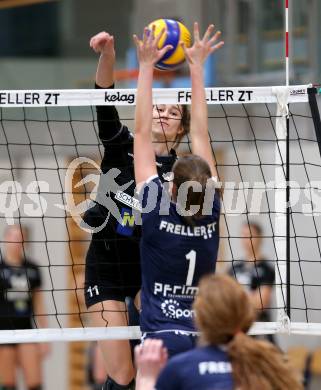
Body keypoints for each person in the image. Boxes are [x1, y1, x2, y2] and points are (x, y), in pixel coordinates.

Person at [86, 29, 191, 389]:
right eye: (158, 108)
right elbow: (103, 99)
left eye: (173, 111)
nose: (163, 114)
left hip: (149, 274)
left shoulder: (182, 176)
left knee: (156, 364)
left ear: (181, 127)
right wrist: (109, 55)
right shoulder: (122, 147)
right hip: (107, 267)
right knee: (122, 373)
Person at [133, 22, 223, 358]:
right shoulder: (210, 209)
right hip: (203, 340)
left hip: (160, 339)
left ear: (173, 191)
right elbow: (200, 134)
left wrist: (145, 68)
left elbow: (141, 133)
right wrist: (197, 69)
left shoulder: (157, 207)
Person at [134, 274, 303, 390]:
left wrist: (148, 379)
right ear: (246, 314)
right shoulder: (272, 364)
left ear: (199, 318)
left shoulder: (180, 368)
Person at [0, 224, 49, 390]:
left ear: (25, 241)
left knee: (34, 383)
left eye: (20, 237)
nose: (17, 240)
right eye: (13, 236)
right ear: (6, 239)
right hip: (3, 333)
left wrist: (44, 337)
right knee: (8, 384)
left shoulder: (32, 269)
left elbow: (39, 304)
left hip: (26, 331)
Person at [228, 222, 275, 342]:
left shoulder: (266, 269)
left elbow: (260, 304)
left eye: (250, 235)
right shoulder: (234, 268)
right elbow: (225, 299)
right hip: (237, 329)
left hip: (260, 328)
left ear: (259, 238)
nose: (246, 239)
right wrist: (249, 297)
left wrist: (236, 297)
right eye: (243, 235)